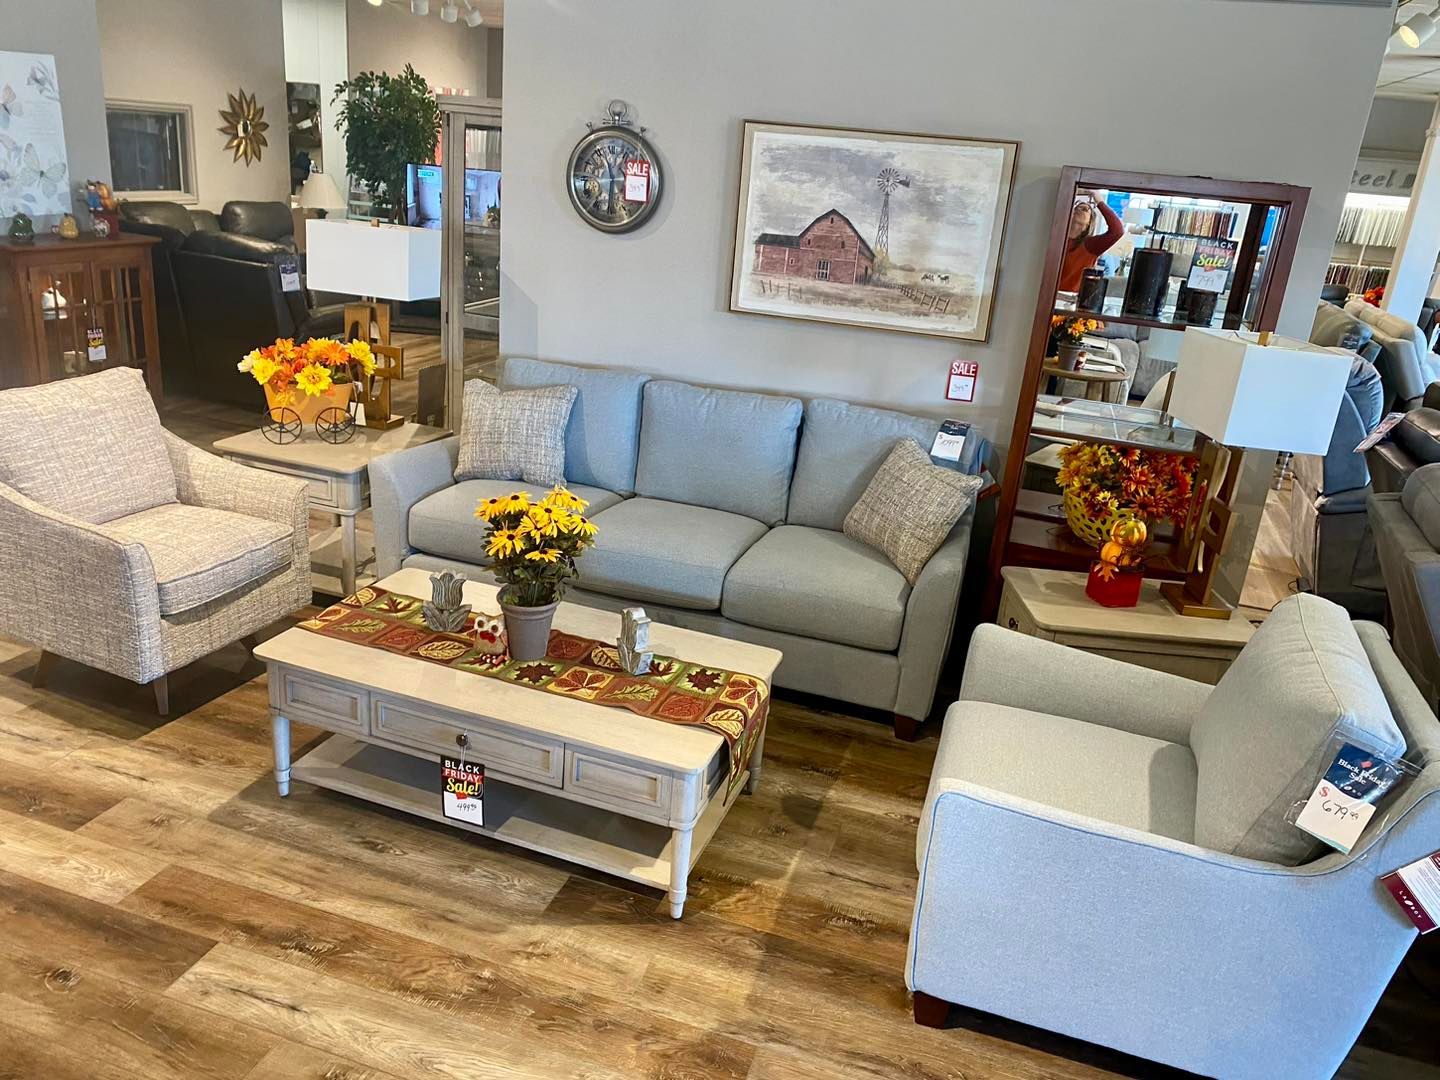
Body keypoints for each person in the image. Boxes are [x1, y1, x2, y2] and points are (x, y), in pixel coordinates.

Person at [1059, 190, 1124, 293]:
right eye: (1078, 207)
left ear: (1089, 222)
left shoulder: (1091, 245)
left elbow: (1117, 230)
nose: (1082, 209)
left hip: (1069, 300)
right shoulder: (1056, 238)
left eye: (1086, 209)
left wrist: (1099, 201)